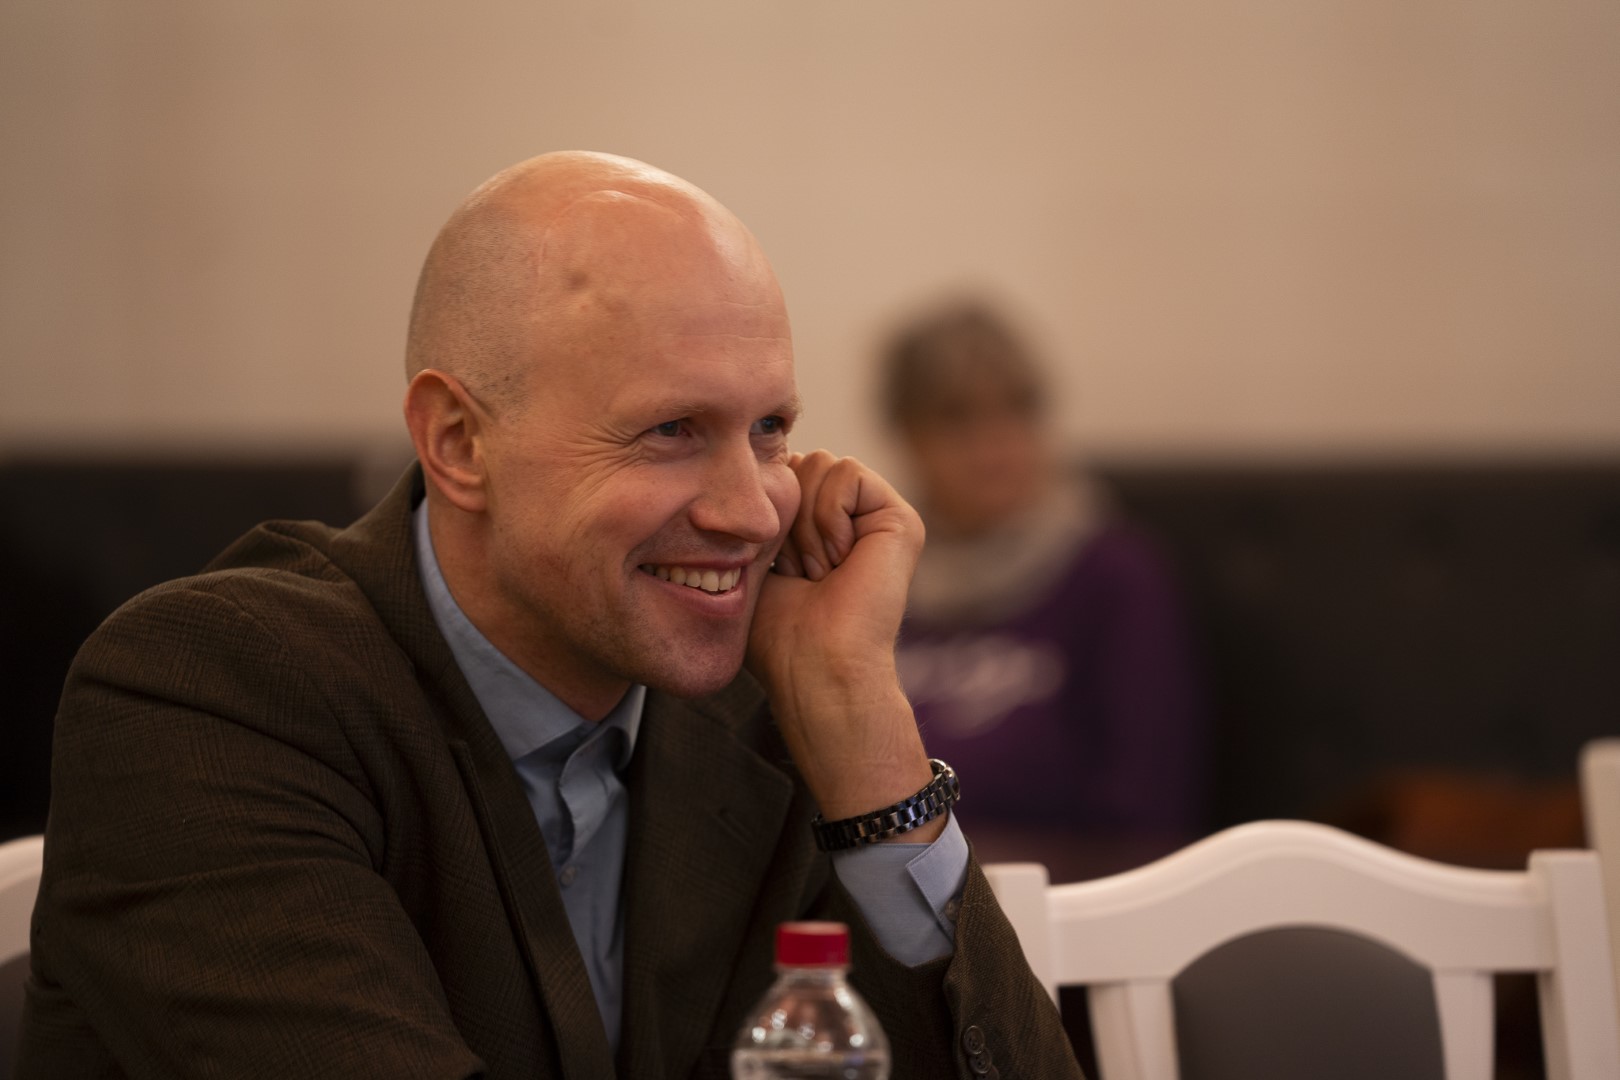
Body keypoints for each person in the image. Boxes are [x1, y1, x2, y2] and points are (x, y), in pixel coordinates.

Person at [17, 153, 1081, 1079]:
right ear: (459, 442)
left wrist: (859, 721)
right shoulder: (208, 695)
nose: (757, 511)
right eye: (670, 429)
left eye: (769, 427)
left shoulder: (766, 709)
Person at [883, 302, 1208, 882]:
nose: (993, 446)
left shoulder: (1112, 575)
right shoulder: (879, 574)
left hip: (1066, 905)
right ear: (907, 434)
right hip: (892, 894)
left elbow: (1149, 811)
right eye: (957, 419)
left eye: (1017, 409)